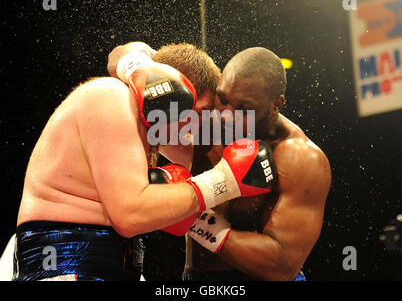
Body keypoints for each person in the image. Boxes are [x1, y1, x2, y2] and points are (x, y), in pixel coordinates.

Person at [11, 42, 276, 281]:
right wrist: (222, 182)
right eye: (198, 112)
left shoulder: (149, 125)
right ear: (173, 90)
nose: (194, 126)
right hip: (66, 259)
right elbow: (130, 214)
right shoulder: (110, 96)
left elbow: (206, 153)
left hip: (111, 262)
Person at [178, 47, 332, 281]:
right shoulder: (203, 119)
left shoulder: (300, 158)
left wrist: (190, 217)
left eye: (243, 109)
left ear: (276, 104)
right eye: (224, 100)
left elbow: (281, 265)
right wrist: (131, 63)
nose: (227, 116)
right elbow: (125, 58)